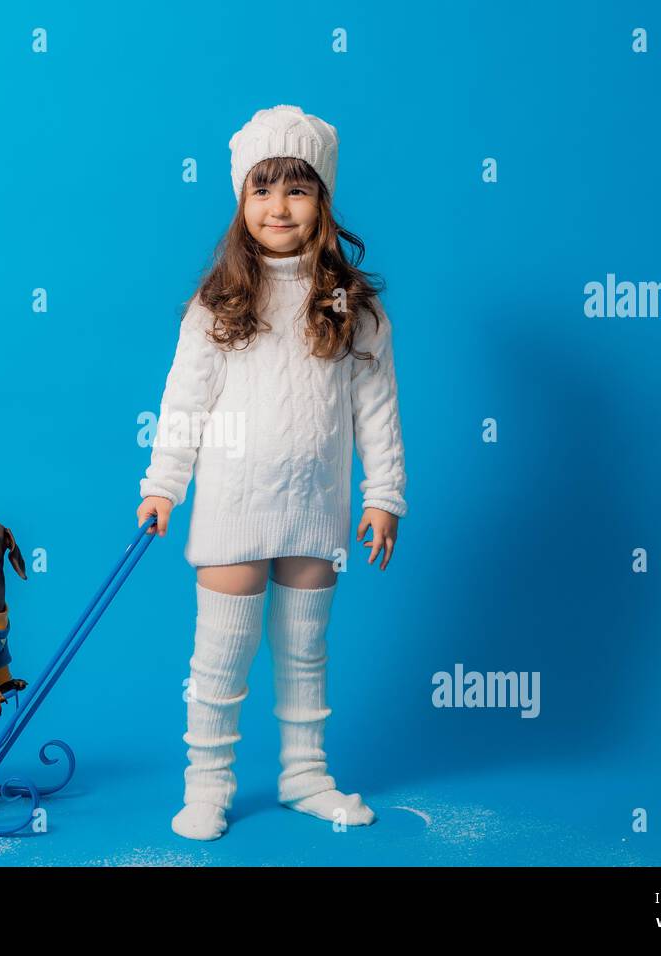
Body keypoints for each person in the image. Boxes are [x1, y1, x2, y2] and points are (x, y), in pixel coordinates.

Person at [136, 105, 408, 841]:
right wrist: (163, 486)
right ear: (240, 202)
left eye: (297, 189)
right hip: (233, 504)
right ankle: (208, 785)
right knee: (220, 658)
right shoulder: (218, 302)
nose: (278, 206)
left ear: (323, 201)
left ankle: (305, 773)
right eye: (262, 189)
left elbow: (377, 409)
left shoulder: (354, 307)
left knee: (304, 652)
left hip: (315, 510)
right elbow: (184, 402)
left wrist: (383, 496)